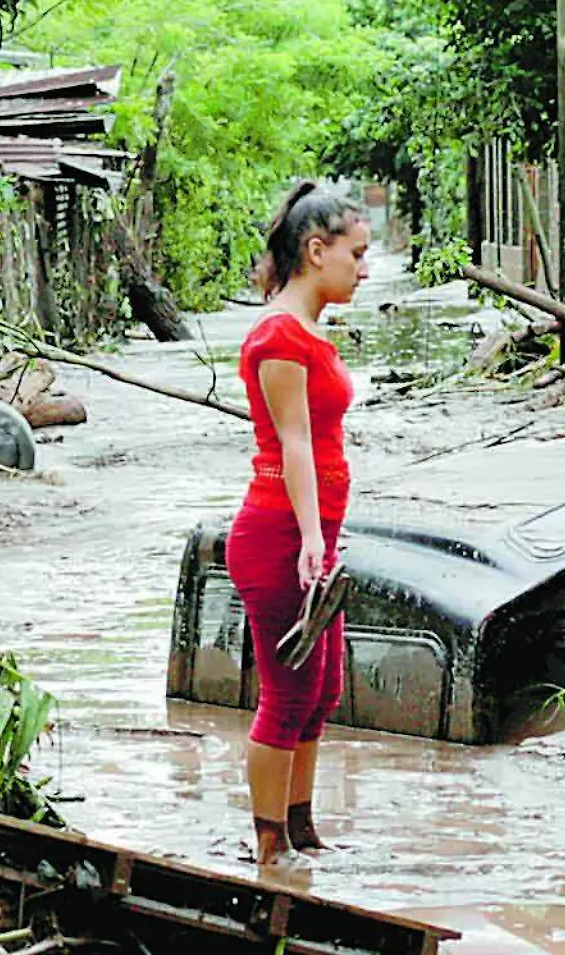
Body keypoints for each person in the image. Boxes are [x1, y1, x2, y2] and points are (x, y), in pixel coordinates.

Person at [226, 180, 370, 867]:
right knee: (287, 693)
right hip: (280, 533)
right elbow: (294, 445)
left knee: (323, 690)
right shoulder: (280, 335)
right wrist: (312, 539)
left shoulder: (308, 328)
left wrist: (322, 535)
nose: (364, 269)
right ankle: (268, 844)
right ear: (317, 251)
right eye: (357, 254)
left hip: (311, 531)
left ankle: (302, 827)